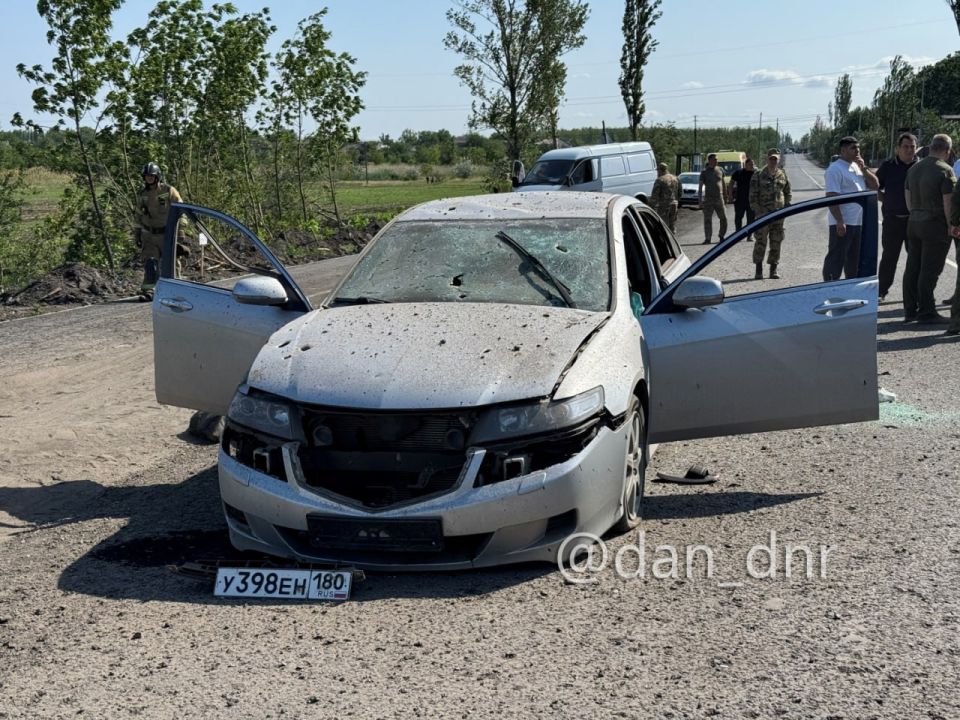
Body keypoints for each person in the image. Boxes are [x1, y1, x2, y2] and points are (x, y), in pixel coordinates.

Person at [903, 133, 956, 324]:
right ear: (947, 150)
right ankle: (926, 311)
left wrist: (915, 214)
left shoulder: (914, 168)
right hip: (934, 225)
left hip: (914, 222)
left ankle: (910, 310)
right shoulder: (945, 170)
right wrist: (952, 225)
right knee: (930, 269)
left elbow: (907, 197)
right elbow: (947, 202)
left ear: (931, 147)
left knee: (912, 267)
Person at [823, 136, 879, 282]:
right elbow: (831, 196)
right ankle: (829, 288)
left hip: (858, 222)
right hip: (843, 222)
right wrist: (839, 220)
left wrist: (864, 168)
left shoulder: (857, 167)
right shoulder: (835, 169)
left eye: (858, 148)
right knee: (836, 258)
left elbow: (875, 186)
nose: (857, 151)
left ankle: (850, 288)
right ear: (843, 150)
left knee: (854, 260)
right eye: (853, 148)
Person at [876, 132, 919, 301]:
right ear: (898, 149)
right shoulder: (888, 166)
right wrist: (885, 199)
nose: (909, 150)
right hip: (893, 220)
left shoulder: (920, 167)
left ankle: (914, 294)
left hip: (914, 221)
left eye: (912, 147)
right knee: (889, 258)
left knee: (916, 258)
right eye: (905, 146)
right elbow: (874, 185)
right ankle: (881, 291)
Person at [135, 162, 182, 299]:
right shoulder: (142, 195)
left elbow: (180, 209)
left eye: (151, 176)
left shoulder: (168, 191)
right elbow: (138, 215)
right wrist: (137, 234)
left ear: (157, 176)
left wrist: (181, 232)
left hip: (167, 234)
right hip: (149, 235)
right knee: (150, 263)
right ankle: (149, 292)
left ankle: (177, 290)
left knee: (172, 263)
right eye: (146, 176)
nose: (149, 178)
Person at [749, 148, 792, 279]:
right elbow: (752, 195)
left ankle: (773, 269)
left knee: (776, 242)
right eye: (771, 159)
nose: (773, 161)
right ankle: (758, 270)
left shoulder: (782, 174)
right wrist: (758, 211)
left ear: (778, 160)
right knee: (760, 242)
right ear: (767, 159)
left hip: (778, 215)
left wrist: (786, 206)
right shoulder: (758, 174)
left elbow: (787, 192)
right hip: (763, 215)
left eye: (775, 159)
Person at [698, 153, 727, 243]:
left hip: (719, 198)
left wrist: (726, 195)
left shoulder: (720, 170)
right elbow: (700, 186)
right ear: (709, 160)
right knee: (707, 219)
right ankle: (708, 238)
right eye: (714, 159)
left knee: (723, 218)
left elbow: (723, 183)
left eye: (716, 160)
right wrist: (700, 200)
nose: (716, 161)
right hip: (708, 199)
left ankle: (721, 235)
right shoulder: (704, 172)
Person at [729, 157, 756, 241]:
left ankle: (749, 235)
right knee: (738, 218)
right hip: (740, 200)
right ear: (745, 165)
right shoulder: (738, 173)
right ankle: (738, 235)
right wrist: (730, 195)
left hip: (752, 200)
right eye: (750, 164)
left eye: (753, 164)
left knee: (751, 219)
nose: (751, 166)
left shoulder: (756, 173)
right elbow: (731, 183)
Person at [651, 162, 680, 231]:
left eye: (658, 170)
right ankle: (672, 240)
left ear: (660, 170)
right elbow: (679, 192)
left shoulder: (660, 180)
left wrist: (651, 207)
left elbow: (654, 196)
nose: (657, 172)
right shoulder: (675, 178)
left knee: (663, 227)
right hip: (674, 204)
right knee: (672, 226)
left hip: (664, 206)